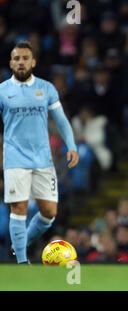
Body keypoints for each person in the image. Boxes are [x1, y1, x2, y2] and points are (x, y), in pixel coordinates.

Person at [0, 42, 79, 264]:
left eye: (25, 58)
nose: (21, 62)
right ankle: (23, 262)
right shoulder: (3, 91)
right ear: (11, 63)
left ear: (33, 62)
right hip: (14, 158)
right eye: (17, 58)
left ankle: (21, 244)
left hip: (43, 159)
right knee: (19, 207)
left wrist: (71, 145)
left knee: (49, 213)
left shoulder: (46, 88)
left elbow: (61, 120)